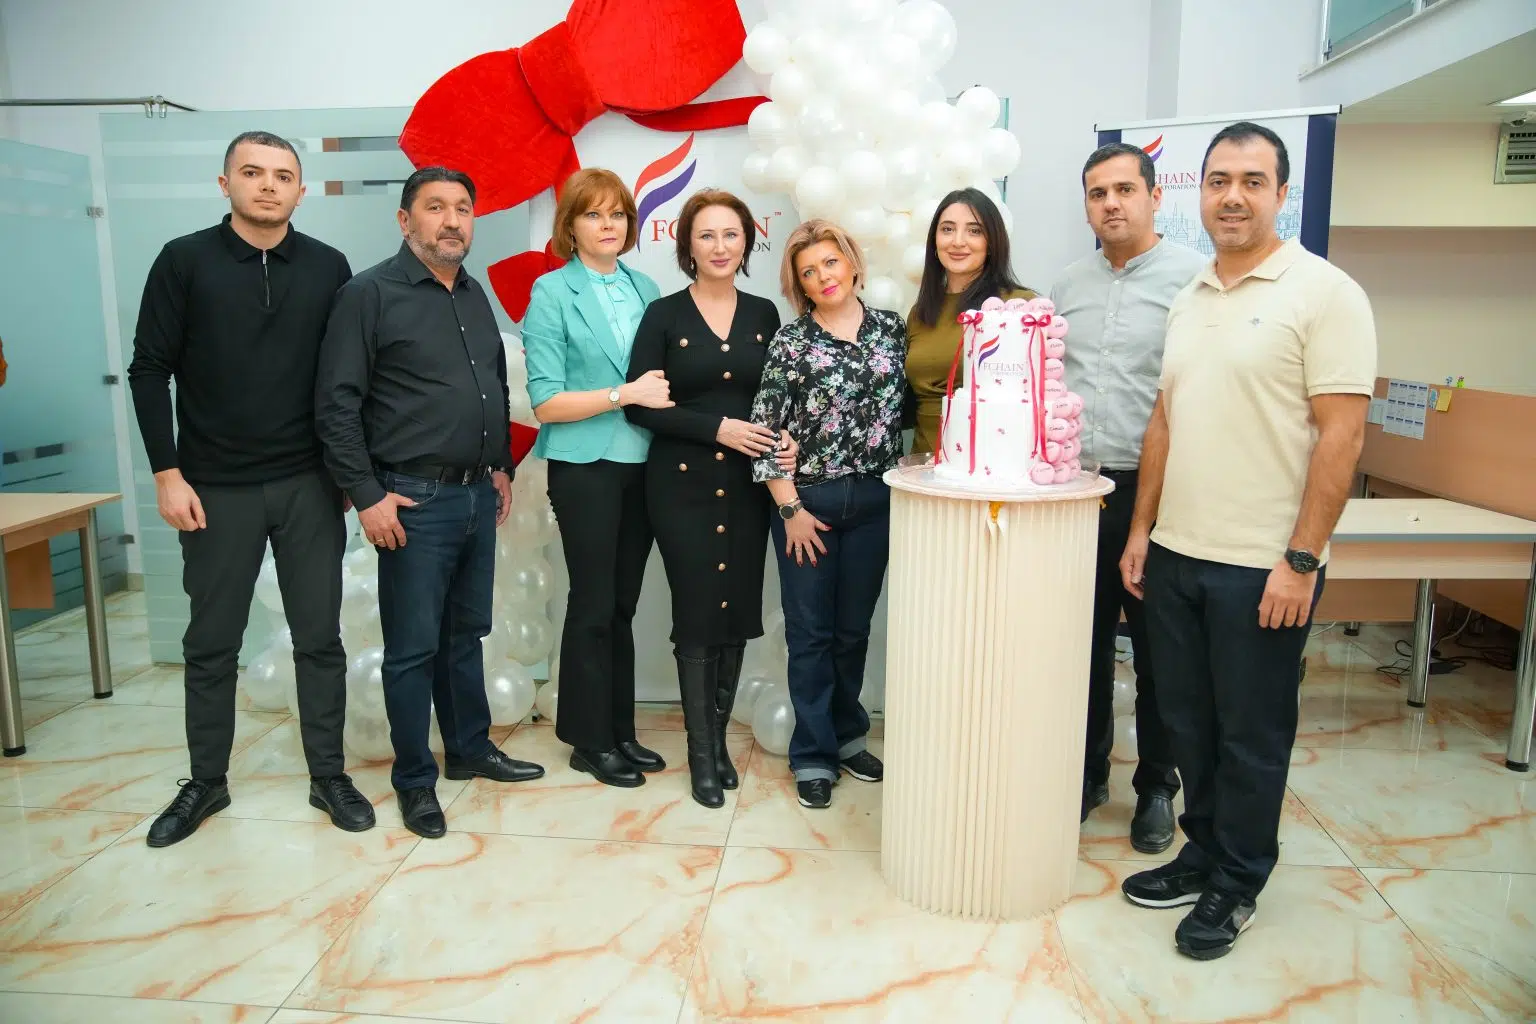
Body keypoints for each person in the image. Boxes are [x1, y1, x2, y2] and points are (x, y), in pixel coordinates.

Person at [1118, 122, 1376, 959]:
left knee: (1250, 734)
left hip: (1263, 567)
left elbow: (1341, 436)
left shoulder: (1326, 293)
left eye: (1252, 181)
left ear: (1281, 193)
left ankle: (1238, 880)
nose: (1232, 196)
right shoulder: (1191, 294)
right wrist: (1142, 529)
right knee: (1186, 721)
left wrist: (1301, 560)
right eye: (1218, 180)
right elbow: (1165, 418)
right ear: (1199, 192)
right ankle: (1203, 850)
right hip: (1177, 554)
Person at [127, 130, 369, 848]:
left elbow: (346, 379)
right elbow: (149, 370)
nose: (268, 185)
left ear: (300, 190)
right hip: (212, 487)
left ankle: (328, 774)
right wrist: (167, 474)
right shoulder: (184, 261)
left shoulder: (329, 266)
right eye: (253, 172)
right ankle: (206, 780)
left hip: (308, 484)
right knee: (211, 642)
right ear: (225, 182)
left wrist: (349, 472)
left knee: (320, 638)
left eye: (283, 175)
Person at [315, 166, 544, 840]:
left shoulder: (472, 294)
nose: (451, 221)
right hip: (411, 499)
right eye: (435, 207)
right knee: (413, 649)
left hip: (476, 494)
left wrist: (499, 465)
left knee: (464, 635)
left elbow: (491, 385)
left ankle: (469, 748)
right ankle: (415, 780)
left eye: (462, 208)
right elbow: (337, 403)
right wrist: (366, 495)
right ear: (405, 220)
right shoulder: (368, 295)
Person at [1052, 143, 1206, 852]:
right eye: (1097, 193)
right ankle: (1085, 775)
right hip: (1078, 493)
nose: (1110, 203)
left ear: (1154, 196)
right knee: (1077, 645)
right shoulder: (1068, 286)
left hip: (1159, 494)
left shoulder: (1195, 282)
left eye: (1123, 189)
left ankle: (1155, 787)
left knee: (1159, 652)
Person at [623, 189, 795, 808]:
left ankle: (719, 745)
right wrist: (716, 428)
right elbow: (642, 407)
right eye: (706, 235)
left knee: (736, 612)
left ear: (746, 242)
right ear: (687, 246)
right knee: (698, 612)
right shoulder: (663, 315)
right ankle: (701, 755)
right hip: (681, 485)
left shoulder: (765, 313)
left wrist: (786, 442)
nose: (720, 247)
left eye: (730, 234)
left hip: (749, 488)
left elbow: (778, 399)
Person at [750, 219, 907, 810]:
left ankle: (847, 737)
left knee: (852, 631)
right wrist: (789, 507)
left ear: (852, 262)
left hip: (874, 503)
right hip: (806, 505)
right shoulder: (791, 343)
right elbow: (766, 432)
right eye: (809, 272)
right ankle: (813, 754)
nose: (824, 277)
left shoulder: (892, 330)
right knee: (810, 633)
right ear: (800, 285)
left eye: (831, 263)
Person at [522, 168, 668, 789]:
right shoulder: (552, 291)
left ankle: (620, 729)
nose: (607, 225)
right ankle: (588, 739)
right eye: (593, 214)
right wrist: (621, 394)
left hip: (646, 462)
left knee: (623, 603)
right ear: (570, 225)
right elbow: (545, 402)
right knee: (592, 601)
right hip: (584, 465)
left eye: (617, 214)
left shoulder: (646, 286)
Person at [904, 188, 1035, 456]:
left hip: (990, 466)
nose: (958, 241)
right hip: (922, 465)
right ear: (934, 241)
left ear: (992, 242)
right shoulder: (920, 313)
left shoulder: (1019, 307)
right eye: (947, 229)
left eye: (974, 231)